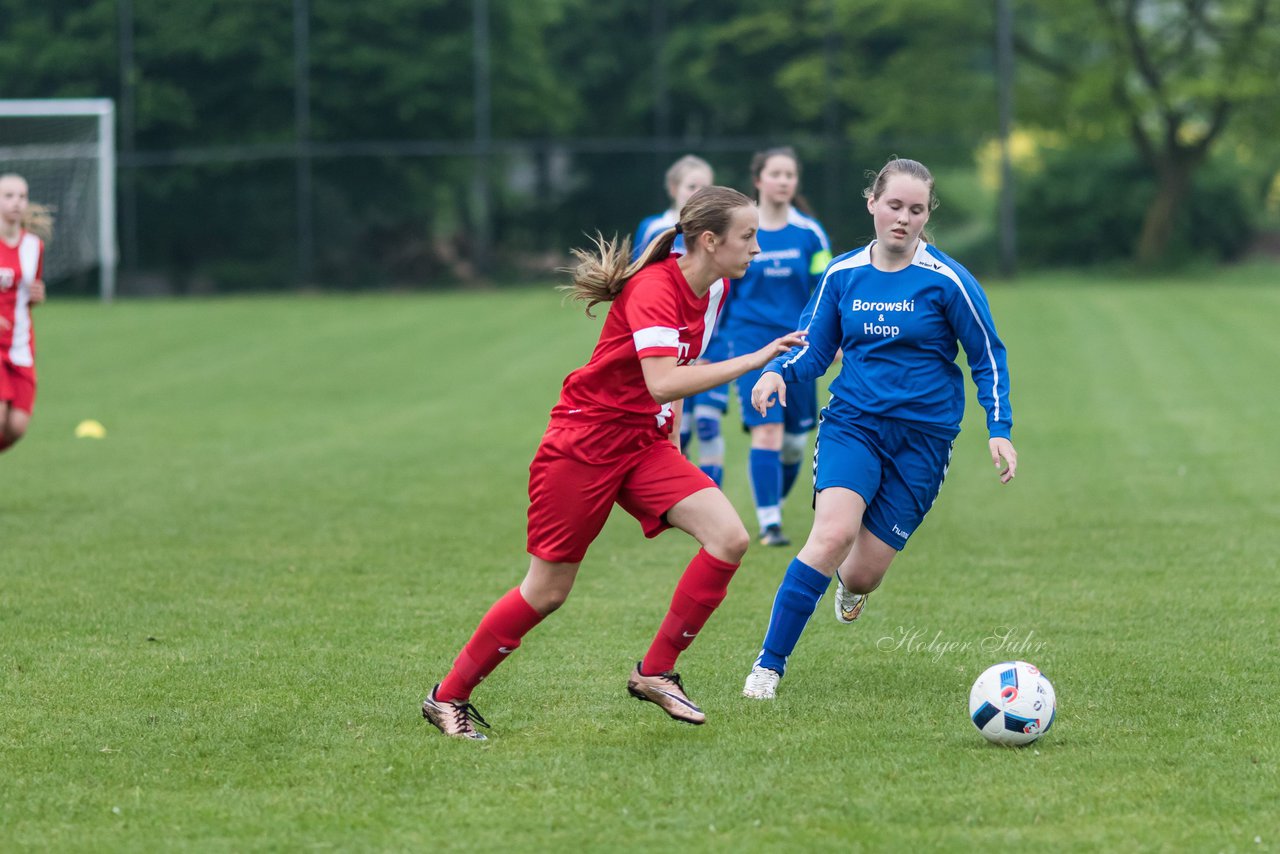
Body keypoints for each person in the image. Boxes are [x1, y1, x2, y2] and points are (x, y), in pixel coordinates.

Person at [421, 186, 806, 739]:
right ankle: (446, 697)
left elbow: (674, 380)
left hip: (641, 445)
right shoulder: (655, 288)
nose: (757, 249)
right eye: (748, 237)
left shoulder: (716, 287)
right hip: (584, 444)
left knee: (729, 537)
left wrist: (668, 439)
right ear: (709, 240)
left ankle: (655, 672)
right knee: (547, 591)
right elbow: (663, 379)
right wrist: (754, 358)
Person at [740, 158, 1017, 701]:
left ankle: (851, 587)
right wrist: (777, 371)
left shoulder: (949, 282)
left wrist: (998, 426)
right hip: (854, 425)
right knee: (832, 534)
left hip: (923, 441)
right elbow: (814, 349)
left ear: (926, 215)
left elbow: (987, 356)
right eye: (894, 206)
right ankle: (767, 668)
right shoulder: (842, 275)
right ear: (872, 203)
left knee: (862, 574)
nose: (903, 219)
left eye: (916, 210)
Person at [724, 147, 831, 546]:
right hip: (750, 340)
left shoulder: (809, 233)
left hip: (799, 343)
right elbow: (725, 290)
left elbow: (826, 291)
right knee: (766, 431)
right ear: (758, 180)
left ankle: (772, 504)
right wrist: (716, 342)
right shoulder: (740, 231)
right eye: (776, 174)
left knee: (792, 443)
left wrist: (830, 337)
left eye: (791, 174)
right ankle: (770, 523)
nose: (785, 181)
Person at [632, 155, 729, 486]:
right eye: (692, 186)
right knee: (677, 426)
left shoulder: (720, 233)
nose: (699, 192)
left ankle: (711, 494)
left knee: (708, 423)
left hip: (710, 344)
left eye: (706, 186)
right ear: (673, 189)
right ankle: (677, 486)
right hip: (668, 347)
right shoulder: (654, 229)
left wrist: (714, 341)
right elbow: (640, 289)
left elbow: (723, 296)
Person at [0, 173, 50, 456]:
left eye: (22, 196)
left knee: (16, 426)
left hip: (19, 344)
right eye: (8, 196)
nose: (16, 202)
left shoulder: (34, 246)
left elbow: (29, 294)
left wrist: (37, 297)